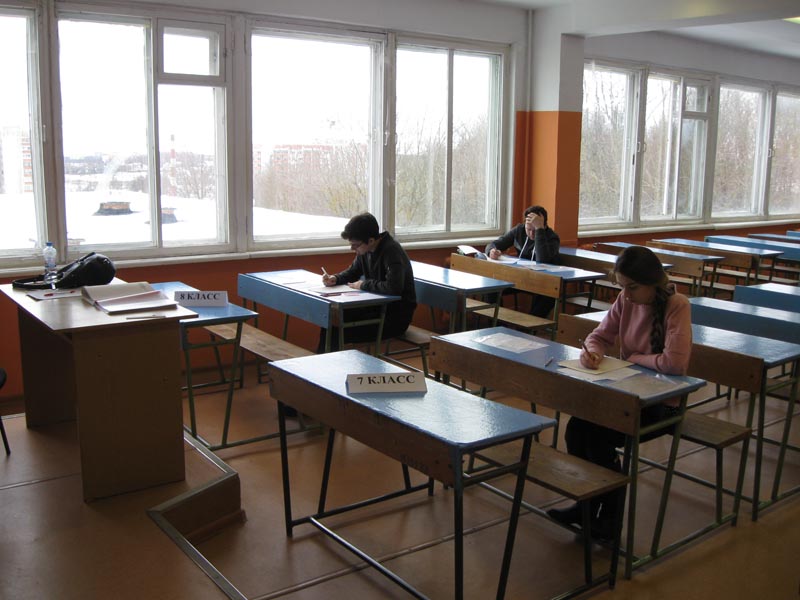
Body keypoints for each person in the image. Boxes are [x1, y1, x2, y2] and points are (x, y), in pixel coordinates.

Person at [547, 245, 692, 541]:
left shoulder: (677, 305)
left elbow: (674, 364)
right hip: (627, 395)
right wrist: (592, 352)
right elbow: (599, 336)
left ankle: (610, 520)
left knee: (599, 438)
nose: (626, 294)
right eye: (622, 286)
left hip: (662, 405)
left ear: (652, 281)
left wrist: (634, 359)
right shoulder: (626, 299)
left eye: (632, 287)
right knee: (576, 430)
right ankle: (587, 507)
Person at [319, 212, 417, 352]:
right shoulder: (365, 250)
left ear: (371, 240)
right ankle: (325, 363)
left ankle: (330, 363)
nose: (352, 249)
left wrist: (363, 284)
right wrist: (335, 278)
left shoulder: (391, 251)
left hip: (394, 318)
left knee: (336, 331)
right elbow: (353, 271)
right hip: (376, 310)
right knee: (330, 321)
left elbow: (393, 288)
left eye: (355, 245)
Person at [485, 205, 560, 317]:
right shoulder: (519, 230)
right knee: (491, 288)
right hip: (521, 278)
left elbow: (542, 260)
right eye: (528, 229)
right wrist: (491, 251)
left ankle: (530, 327)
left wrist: (539, 230)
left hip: (543, 282)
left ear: (544, 225)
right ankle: (497, 322)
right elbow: (494, 244)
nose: (531, 234)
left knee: (548, 296)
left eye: (535, 230)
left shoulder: (552, 238)